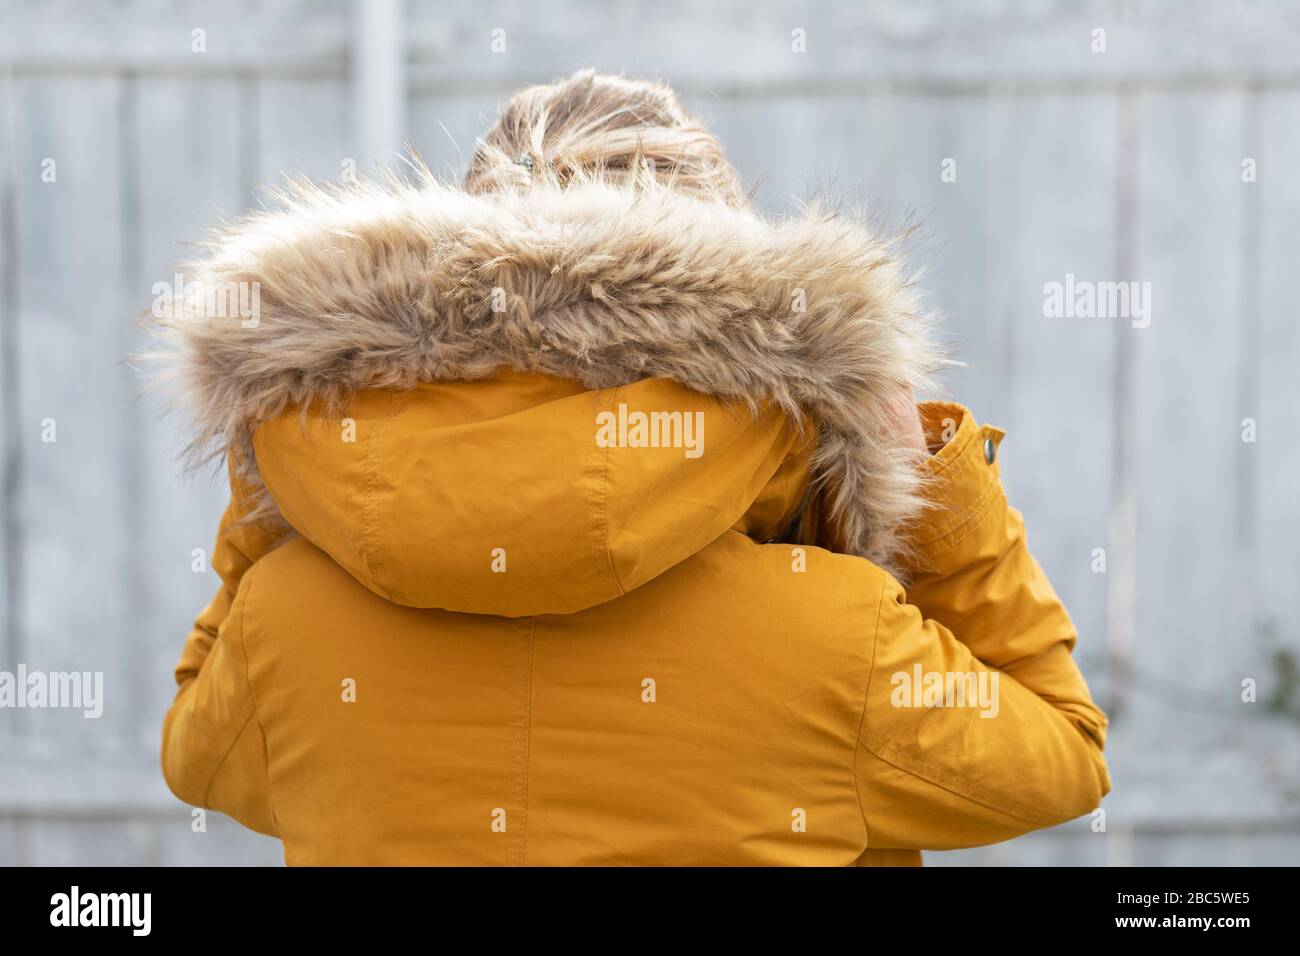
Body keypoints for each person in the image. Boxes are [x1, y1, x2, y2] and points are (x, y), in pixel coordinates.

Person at [156, 69, 1110, 865]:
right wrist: (932, 481)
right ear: (734, 296)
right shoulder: (835, 640)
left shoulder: (287, 627)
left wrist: (276, 468)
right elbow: (1062, 754)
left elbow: (196, 755)